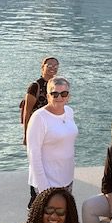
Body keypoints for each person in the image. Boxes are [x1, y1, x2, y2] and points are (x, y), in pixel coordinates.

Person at [26, 76, 78, 207]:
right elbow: (33, 155)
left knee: (63, 220)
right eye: (54, 94)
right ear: (48, 96)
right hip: (47, 183)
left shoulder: (69, 112)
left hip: (66, 179)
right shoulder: (39, 118)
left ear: (68, 96)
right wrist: (44, 189)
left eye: (63, 93)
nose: (59, 97)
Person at [21, 57, 60, 144]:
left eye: (56, 66)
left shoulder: (57, 86)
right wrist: (26, 134)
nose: (53, 68)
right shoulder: (35, 86)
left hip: (51, 127)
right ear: (43, 67)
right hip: (37, 127)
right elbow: (27, 112)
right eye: (49, 65)